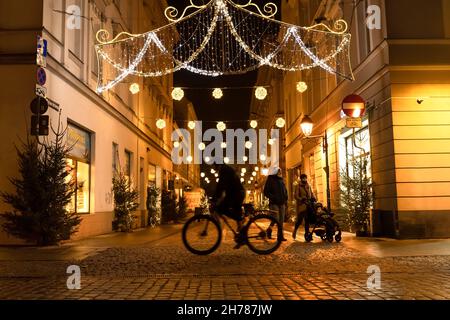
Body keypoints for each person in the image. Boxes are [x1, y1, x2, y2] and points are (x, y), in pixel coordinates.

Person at [211, 163, 246, 248]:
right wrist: (216, 197)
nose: (213, 168)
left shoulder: (224, 170)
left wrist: (215, 198)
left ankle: (241, 222)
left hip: (237, 193)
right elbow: (221, 185)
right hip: (235, 193)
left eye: (214, 166)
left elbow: (221, 185)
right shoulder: (224, 169)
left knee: (222, 209)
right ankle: (241, 233)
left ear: (217, 165)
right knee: (232, 211)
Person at [263, 167, 288, 241]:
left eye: (280, 171)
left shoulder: (281, 180)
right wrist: (273, 197)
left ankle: (280, 236)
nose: (280, 173)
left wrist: (286, 197)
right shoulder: (270, 179)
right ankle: (269, 230)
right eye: (278, 171)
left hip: (282, 202)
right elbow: (266, 192)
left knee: (281, 220)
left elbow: (285, 190)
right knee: (275, 218)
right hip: (274, 203)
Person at [293, 174, 316, 240]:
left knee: (307, 220)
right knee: (299, 220)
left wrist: (314, 198)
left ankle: (307, 234)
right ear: (301, 179)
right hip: (302, 205)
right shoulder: (298, 186)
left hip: (309, 204)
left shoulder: (308, 185)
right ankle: (295, 230)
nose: (304, 179)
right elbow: (296, 196)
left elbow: (311, 193)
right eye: (303, 178)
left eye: (305, 178)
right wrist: (301, 198)